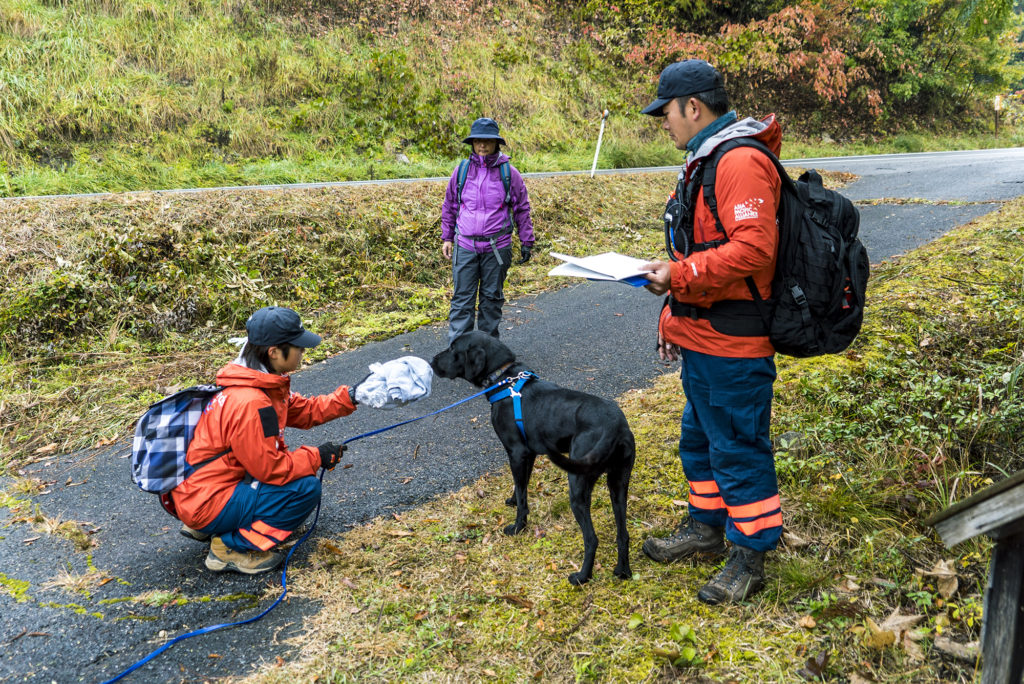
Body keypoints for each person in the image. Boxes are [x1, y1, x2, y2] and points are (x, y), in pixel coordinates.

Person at [638, 59, 784, 605]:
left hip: (735, 345)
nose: (665, 124)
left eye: (667, 114)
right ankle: (706, 528)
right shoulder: (705, 159)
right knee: (698, 440)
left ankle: (750, 555)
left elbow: (753, 249)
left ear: (693, 107)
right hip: (703, 338)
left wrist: (680, 275)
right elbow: (697, 249)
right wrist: (672, 309)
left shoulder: (740, 161)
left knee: (738, 447)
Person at [172, 306, 358, 574]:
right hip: (206, 499)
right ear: (273, 352)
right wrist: (317, 456)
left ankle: (213, 525)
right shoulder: (252, 402)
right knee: (305, 491)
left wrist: (352, 396)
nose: (302, 352)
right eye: (297, 347)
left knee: (289, 480)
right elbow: (271, 469)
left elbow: (305, 411)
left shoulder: (258, 383)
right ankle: (229, 547)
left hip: (201, 488)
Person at [440, 117, 535, 343]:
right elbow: (450, 204)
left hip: (497, 247)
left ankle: (487, 351)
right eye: (477, 141)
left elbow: (522, 208)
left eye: (487, 141)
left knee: (491, 301)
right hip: (465, 246)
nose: (482, 145)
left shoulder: (509, 173)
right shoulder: (461, 171)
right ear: (472, 143)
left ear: (496, 143)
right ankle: (460, 353)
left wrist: (526, 240)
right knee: (462, 300)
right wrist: (447, 237)